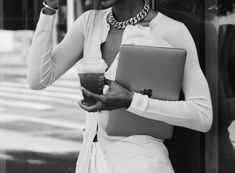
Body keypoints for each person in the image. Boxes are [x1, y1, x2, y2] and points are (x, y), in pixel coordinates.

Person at [27, 0, 213, 172]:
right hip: (89, 162)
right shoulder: (89, 23)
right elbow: (38, 79)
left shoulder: (171, 31)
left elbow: (202, 115)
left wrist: (132, 101)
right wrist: (49, 9)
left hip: (142, 164)